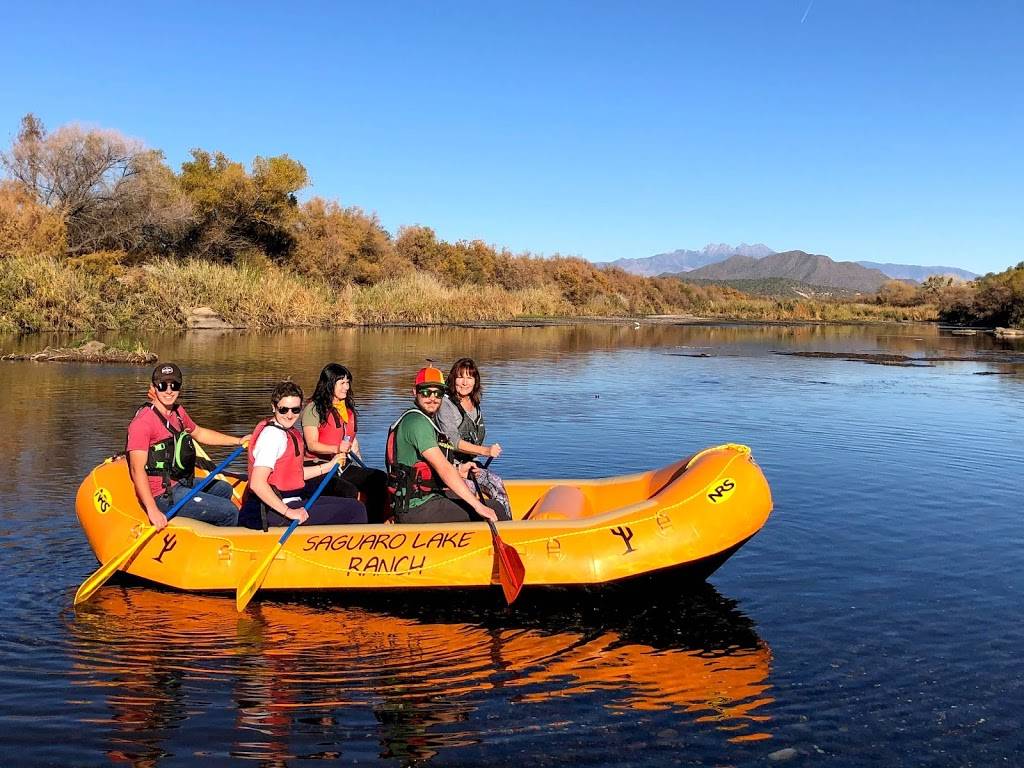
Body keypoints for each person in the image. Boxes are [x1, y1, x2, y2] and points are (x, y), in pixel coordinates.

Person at [126, 362, 247, 530]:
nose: (169, 391)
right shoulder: (143, 423)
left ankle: (201, 527)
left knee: (224, 489)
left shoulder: (178, 412)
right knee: (230, 511)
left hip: (181, 481)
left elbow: (200, 433)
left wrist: (238, 441)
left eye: (173, 385)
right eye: (162, 385)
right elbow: (136, 469)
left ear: (179, 388)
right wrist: (152, 509)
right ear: (154, 388)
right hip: (162, 494)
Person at [239, 380, 367, 529]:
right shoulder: (272, 436)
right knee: (356, 510)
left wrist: (330, 466)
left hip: (288, 501)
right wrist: (289, 512)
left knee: (349, 500)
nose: (289, 415)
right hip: (270, 511)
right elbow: (257, 483)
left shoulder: (286, 431)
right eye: (283, 410)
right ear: (274, 407)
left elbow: (293, 475)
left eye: (295, 410)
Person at [385, 365, 504, 524]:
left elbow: (426, 469)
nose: (432, 398)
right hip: (417, 507)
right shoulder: (416, 422)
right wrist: (478, 506)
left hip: (421, 500)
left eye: (438, 393)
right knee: (495, 507)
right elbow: (442, 467)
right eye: (426, 392)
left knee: (465, 495)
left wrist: (460, 469)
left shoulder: (424, 420)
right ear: (415, 392)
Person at [301, 363, 389, 522]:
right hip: (316, 467)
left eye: (348, 382)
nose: (347, 387)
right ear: (329, 384)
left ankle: (374, 526)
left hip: (342, 465)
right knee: (347, 491)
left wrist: (362, 468)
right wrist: (336, 448)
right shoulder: (313, 409)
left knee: (378, 478)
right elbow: (312, 444)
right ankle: (347, 529)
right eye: (342, 383)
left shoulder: (346, 409)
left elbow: (352, 441)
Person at [435, 358, 511, 520]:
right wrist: (486, 451)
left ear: (475, 381)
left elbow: (473, 438)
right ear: (453, 379)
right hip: (451, 468)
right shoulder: (445, 405)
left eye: (469, 377)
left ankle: (507, 525)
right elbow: (453, 441)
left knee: (495, 482)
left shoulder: (474, 403)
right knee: (469, 490)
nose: (464, 382)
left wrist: (475, 462)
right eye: (460, 377)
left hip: (471, 465)